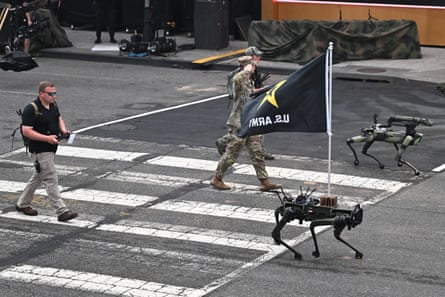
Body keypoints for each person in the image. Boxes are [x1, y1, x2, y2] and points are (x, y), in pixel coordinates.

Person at [210, 57, 281, 191]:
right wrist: (246, 69)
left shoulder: (248, 81)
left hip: (250, 122)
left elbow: (251, 93)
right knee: (231, 154)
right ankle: (216, 179)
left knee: (257, 153)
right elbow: (238, 80)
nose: (254, 68)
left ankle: (264, 181)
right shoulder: (237, 79)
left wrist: (265, 89)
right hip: (238, 124)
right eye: (252, 66)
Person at [16, 81, 78, 222]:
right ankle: (62, 211)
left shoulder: (52, 105)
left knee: (38, 176)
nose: (53, 96)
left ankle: (22, 204)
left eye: (54, 93)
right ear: (41, 94)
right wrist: (47, 139)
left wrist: (64, 130)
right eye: (51, 94)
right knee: (50, 178)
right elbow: (26, 131)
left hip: (51, 147)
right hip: (40, 149)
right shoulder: (31, 109)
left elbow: (59, 118)